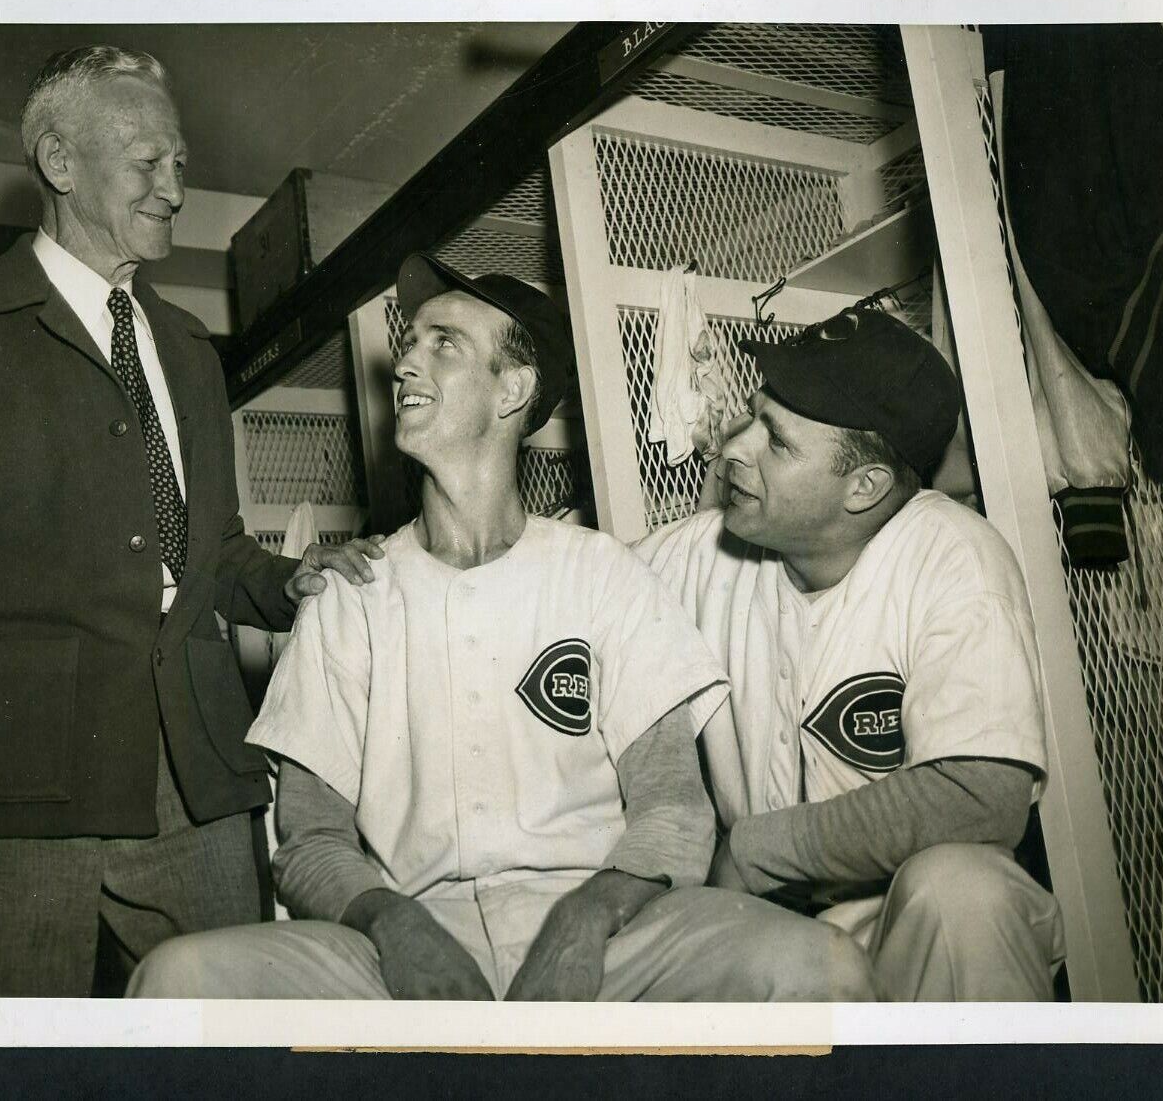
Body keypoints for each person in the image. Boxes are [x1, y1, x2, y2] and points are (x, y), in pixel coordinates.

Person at [127, 255, 875, 1001]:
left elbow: (673, 804)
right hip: (407, 931)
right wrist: (392, 925)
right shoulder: (349, 592)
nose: (405, 361)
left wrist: (586, 917)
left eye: (442, 342)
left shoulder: (602, 574)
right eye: (409, 340)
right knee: (179, 980)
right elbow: (311, 839)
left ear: (512, 390)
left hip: (602, 922)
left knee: (821, 966)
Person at [0, 45, 381, 997]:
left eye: (179, 162)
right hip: (16, 783)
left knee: (237, 1032)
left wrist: (286, 580)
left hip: (200, 769)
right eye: (149, 162)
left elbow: (208, 547)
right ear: (60, 163)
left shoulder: (186, 347)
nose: (176, 186)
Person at [632, 303, 1066, 1002]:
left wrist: (755, 847)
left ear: (862, 488)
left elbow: (980, 797)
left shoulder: (953, 554)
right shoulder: (705, 548)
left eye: (775, 441)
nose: (733, 448)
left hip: (905, 925)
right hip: (768, 931)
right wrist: (396, 569)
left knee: (966, 892)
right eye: (750, 416)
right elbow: (568, 594)